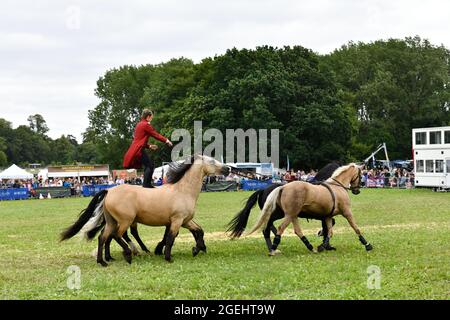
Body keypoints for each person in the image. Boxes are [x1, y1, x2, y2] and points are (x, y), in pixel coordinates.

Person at [123, 109, 173, 188]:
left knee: (149, 165)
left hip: (136, 149)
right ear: (148, 117)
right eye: (151, 117)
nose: (151, 119)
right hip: (138, 150)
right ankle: (146, 185)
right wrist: (167, 140)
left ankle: (146, 184)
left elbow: (139, 140)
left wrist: (149, 146)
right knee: (149, 165)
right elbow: (156, 135)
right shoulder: (146, 125)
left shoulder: (139, 124)